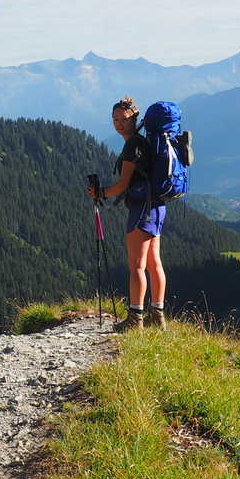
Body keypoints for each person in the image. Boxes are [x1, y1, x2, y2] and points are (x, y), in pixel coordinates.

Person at [87, 96, 167, 332]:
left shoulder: (133, 145)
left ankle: (135, 319)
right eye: (115, 119)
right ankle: (157, 316)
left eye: (124, 119)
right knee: (154, 264)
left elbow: (123, 184)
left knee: (137, 266)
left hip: (142, 208)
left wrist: (100, 193)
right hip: (157, 207)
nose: (119, 124)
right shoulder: (143, 143)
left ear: (135, 118)